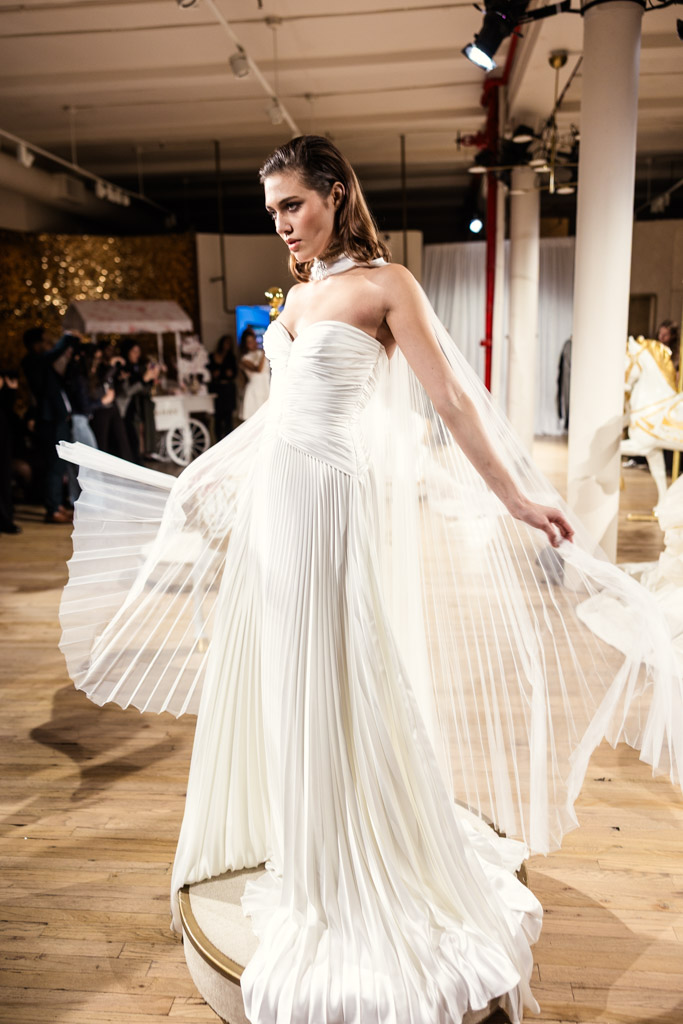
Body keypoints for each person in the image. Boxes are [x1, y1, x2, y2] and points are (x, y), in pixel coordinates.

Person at [56, 137, 682, 1024]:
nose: (281, 224)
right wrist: (206, 479)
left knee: (339, 667)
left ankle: (355, 854)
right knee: (289, 673)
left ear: (336, 196)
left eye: (293, 206)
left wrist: (520, 496)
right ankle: (309, 839)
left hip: (330, 502)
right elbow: (276, 421)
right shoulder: (301, 295)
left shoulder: (386, 286)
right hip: (279, 502)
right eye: (271, 210)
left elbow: (454, 402)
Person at [209, 333, 238, 439]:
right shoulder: (212, 356)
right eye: (226, 343)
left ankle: (228, 440)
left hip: (228, 390)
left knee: (228, 418)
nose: (227, 345)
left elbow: (234, 373)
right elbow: (209, 371)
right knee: (217, 417)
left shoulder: (231, 358)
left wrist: (229, 374)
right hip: (217, 389)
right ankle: (218, 440)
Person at [238, 326, 270, 420]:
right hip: (255, 391)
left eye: (253, 340)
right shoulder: (245, 359)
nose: (253, 344)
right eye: (249, 342)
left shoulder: (261, 353)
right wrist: (264, 351)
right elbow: (258, 369)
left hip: (266, 387)